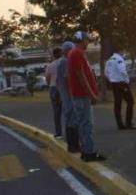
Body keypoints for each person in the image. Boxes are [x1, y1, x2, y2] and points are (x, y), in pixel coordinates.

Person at [67, 31, 106, 162]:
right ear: (81, 41)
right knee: (87, 125)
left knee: (84, 124)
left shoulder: (76, 53)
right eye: (86, 40)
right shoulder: (77, 53)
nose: (88, 43)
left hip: (80, 96)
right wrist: (92, 94)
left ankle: (86, 151)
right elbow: (81, 76)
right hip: (82, 96)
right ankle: (88, 152)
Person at [104, 45, 136, 130]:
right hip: (122, 83)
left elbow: (106, 73)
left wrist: (111, 79)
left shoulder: (109, 60)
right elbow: (122, 71)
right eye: (124, 51)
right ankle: (128, 123)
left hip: (114, 84)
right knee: (130, 101)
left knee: (117, 104)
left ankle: (120, 124)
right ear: (120, 50)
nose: (124, 53)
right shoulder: (119, 59)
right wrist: (127, 81)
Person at [57, 41, 79, 153]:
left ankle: (72, 145)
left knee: (69, 120)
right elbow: (68, 80)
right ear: (67, 51)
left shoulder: (61, 62)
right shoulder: (66, 62)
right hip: (69, 97)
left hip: (65, 96)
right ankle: (74, 145)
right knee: (73, 120)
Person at [45, 47, 63, 138]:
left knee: (56, 112)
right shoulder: (64, 63)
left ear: (54, 55)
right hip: (63, 88)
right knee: (67, 110)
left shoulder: (50, 65)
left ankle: (58, 132)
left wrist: (50, 85)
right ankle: (72, 131)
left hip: (53, 88)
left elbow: (47, 78)